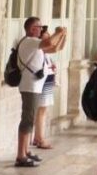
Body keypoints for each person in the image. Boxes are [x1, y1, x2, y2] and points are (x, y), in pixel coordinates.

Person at [14, 17, 65, 167]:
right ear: (31, 29)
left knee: (30, 119)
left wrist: (63, 35)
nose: (41, 29)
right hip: (29, 86)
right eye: (39, 26)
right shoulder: (29, 41)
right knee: (27, 119)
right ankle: (20, 155)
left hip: (35, 86)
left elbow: (54, 48)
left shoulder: (34, 43)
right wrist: (58, 32)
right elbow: (48, 43)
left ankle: (26, 151)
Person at [33, 25, 67, 150]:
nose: (49, 39)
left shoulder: (45, 51)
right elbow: (53, 45)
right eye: (46, 37)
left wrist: (63, 35)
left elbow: (58, 48)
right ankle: (39, 138)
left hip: (46, 82)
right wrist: (59, 33)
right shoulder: (39, 49)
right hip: (42, 83)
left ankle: (38, 137)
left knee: (43, 110)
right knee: (41, 111)